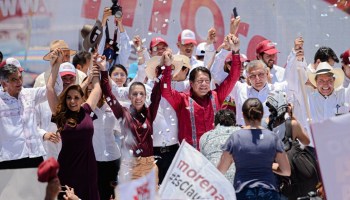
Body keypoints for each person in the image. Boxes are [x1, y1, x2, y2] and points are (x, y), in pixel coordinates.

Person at [161, 34, 240, 149]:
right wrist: (168, 67)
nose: (204, 84)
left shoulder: (217, 95)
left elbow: (233, 77)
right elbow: (165, 90)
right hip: (189, 156)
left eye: (207, 81)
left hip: (213, 153)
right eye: (200, 81)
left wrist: (236, 51)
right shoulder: (182, 99)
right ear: (191, 84)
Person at [46, 49, 101, 200]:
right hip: (68, 169)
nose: (72, 101)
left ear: (82, 98)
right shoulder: (60, 114)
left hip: (89, 168)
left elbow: (97, 88)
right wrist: (55, 66)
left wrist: (95, 68)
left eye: (76, 97)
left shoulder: (87, 108)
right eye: (69, 97)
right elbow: (50, 88)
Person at [99, 53, 161, 184]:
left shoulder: (150, 112)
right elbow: (108, 93)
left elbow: (157, 92)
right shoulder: (123, 113)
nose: (138, 97)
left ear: (145, 97)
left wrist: (161, 70)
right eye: (134, 94)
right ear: (129, 97)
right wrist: (104, 70)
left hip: (150, 166)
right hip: (130, 167)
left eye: (141, 94)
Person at [217, 98, 291, 200]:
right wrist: (269, 166)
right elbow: (286, 171)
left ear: (243, 115)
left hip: (243, 193)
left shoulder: (235, 137)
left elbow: (221, 170)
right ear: (262, 114)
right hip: (269, 193)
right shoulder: (272, 137)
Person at [0, 64, 46, 169]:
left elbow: (53, 89)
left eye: (20, 78)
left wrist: (56, 66)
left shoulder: (29, 94)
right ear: (3, 83)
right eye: (14, 79)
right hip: (9, 158)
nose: (19, 82)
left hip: (35, 155)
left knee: (37, 186)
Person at [83, 75, 121, 200]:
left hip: (113, 158)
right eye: (90, 90)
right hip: (94, 160)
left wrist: (104, 72)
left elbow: (121, 129)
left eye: (97, 89)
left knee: (115, 195)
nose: (94, 93)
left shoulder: (111, 107)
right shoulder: (83, 110)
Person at [36, 62, 78, 160]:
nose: (68, 82)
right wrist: (44, 134)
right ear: (57, 79)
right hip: (49, 155)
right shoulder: (42, 100)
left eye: (71, 78)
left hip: (72, 156)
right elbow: (32, 125)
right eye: (64, 78)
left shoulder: (79, 101)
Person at [199, 109, 240, 183]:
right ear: (234, 123)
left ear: (214, 124)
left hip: (214, 182)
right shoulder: (242, 132)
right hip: (239, 181)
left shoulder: (205, 137)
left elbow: (203, 162)